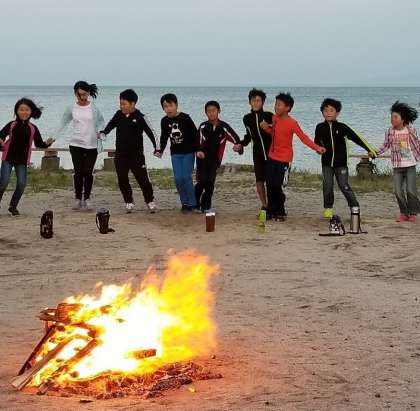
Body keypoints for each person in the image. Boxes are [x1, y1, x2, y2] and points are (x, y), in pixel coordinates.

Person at [260, 92, 325, 221]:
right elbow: (273, 133)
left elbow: (303, 137)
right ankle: (271, 211)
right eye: (275, 104)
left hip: (284, 159)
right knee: (270, 184)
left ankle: (280, 211)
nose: (276, 107)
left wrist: (317, 147)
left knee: (278, 186)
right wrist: (266, 128)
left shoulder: (292, 123)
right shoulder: (274, 118)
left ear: (287, 107)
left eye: (279, 105)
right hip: (272, 157)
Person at [314, 98, 377, 219]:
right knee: (327, 186)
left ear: (337, 113)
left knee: (344, 185)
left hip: (341, 164)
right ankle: (328, 208)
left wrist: (369, 149)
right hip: (326, 163)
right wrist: (318, 149)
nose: (328, 113)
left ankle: (354, 206)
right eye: (325, 110)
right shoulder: (319, 127)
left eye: (331, 110)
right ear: (322, 112)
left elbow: (357, 138)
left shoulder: (342, 127)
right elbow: (316, 142)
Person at [101, 89, 158, 213]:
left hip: (137, 156)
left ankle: (150, 201)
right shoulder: (118, 114)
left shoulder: (140, 117)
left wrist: (157, 148)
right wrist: (103, 133)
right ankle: (129, 202)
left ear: (133, 104)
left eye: (124, 104)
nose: (121, 106)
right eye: (120, 103)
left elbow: (151, 132)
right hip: (121, 155)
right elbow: (110, 126)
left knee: (143, 179)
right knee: (122, 179)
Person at [55, 81, 104, 210]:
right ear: (75, 93)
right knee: (78, 172)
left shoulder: (94, 108)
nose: (82, 97)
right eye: (79, 94)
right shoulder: (71, 108)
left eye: (84, 94)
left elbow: (101, 122)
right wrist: (53, 137)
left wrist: (101, 132)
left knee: (88, 172)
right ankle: (77, 198)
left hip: (92, 145)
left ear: (88, 93)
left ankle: (87, 198)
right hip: (76, 144)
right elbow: (63, 123)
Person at [0, 98, 53, 215]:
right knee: (3, 182)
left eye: (27, 110)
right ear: (16, 111)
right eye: (21, 109)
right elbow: (1, 135)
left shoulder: (33, 128)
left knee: (21, 184)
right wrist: (1, 141)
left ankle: (13, 206)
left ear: (31, 112)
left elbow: (39, 144)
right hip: (8, 157)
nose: (24, 112)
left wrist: (47, 144)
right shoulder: (12, 125)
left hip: (22, 160)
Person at [195, 101, 243, 212]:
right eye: (208, 111)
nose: (211, 113)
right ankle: (195, 203)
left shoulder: (224, 127)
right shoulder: (203, 126)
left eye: (213, 110)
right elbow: (198, 142)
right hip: (202, 158)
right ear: (206, 113)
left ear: (219, 111)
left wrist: (238, 147)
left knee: (210, 182)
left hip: (215, 159)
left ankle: (206, 206)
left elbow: (236, 139)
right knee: (201, 181)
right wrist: (198, 151)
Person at [376, 101, 420, 222]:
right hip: (397, 166)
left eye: (395, 117)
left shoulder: (410, 130)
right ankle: (404, 213)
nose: (392, 120)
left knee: (411, 190)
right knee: (397, 191)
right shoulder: (390, 131)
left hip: (410, 165)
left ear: (403, 119)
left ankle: (413, 213)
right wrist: (375, 153)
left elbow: (417, 144)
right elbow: (385, 145)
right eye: (391, 117)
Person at [155, 93, 198, 212]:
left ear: (176, 105)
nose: (168, 109)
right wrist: (160, 150)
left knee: (186, 177)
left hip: (188, 152)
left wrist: (198, 149)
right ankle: (185, 203)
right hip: (175, 153)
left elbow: (195, 134)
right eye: (165, 106)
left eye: (170, 105)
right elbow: (164, 137)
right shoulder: (164, 121)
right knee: (178, 178)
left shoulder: (185, 117)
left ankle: (193, 203)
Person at [241, 88, 273, 212]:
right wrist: (241, 144)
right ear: (250, 102)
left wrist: (268, 127)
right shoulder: (246, 118)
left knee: (271, 182)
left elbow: (276, 132)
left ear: (262, 102)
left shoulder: (269, 116)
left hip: (271, 154)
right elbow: (248, 136)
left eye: (258, 100)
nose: (256, 103)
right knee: (259, 181)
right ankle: (264, 205)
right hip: (257, 154)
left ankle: (273, 205)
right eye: (253, 100)